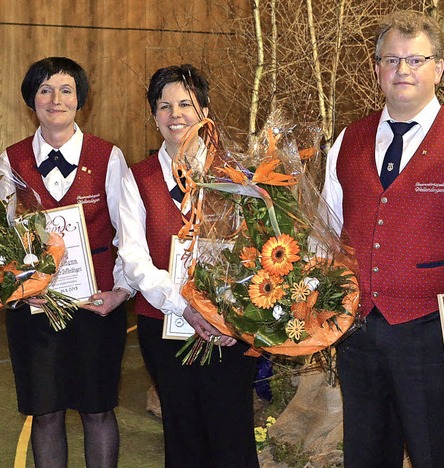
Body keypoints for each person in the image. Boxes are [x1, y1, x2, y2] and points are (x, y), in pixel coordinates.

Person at [321, 10, 444, 468]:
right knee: (365, 455)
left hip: (437, 331)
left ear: (438, 69)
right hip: (359, 331)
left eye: (416, 60)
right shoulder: (347, 139)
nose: (403, 70)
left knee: (436, 456)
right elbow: (325, 233)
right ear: (377, 68)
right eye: (392, 60)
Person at [118, 64, 259, 468]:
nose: (174, 114)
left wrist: (227, 311)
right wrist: (183, 304)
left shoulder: (237, 173)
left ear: (205, 111)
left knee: (231, 433)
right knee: (182, 437)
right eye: (164, 106)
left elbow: (258, 248)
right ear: (154, 116)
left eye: (185, 103)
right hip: (162, 325)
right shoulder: (138, 177)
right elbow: (133, 257)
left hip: (231, 326)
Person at [1, 57, 133, 468]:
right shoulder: (10, 160)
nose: (54, 99)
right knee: (45, 413)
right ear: (31, 100)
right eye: (44, 90)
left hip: (96, 304)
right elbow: (2, 240)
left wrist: (121, 292)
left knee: (97, 410)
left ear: (80, 101)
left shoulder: (109, 157)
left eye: (65, 90)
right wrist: (18, 289)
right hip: (33, 309)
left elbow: (127, 235)